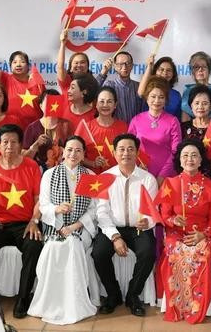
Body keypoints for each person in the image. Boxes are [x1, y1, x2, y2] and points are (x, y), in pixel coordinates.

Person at [0, 124, 43, 318]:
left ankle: (23, 297)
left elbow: (39, 199)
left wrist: (34, 220)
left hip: (25, 223)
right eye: (5, 142)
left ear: (21, 145)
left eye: (14, 142)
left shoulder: (31, 166)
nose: (9, 146)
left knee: (34, 245)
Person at [28, 136, 98, 325]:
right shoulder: (50, 174)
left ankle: (74, 303)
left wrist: (74, 227)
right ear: (63, 152)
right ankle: (51, 302)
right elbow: (44, 204)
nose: (73, 154)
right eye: (69, 149)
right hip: (55, 226)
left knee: (73, 245)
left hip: (79, 229)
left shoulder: (91, 176)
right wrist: (57, 211)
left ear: (83, 154)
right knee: (53, 249)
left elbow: (94, 210)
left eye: (78, 150)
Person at [92, 133, 158, 316]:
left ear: (137, 152)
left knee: (148, 253)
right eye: (121, 149)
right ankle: (113, 295)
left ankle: (132, 295)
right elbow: (101, 212)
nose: (126, 153)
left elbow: (152, 211)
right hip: (112, 227)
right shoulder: (105, 178)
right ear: (114, 153)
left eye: (130, 149)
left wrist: (148, 221)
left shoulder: (148, 179)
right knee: (99, 253)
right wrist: (115, 237)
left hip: (139, 228)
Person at [159, 139, 211, 324]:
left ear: (201, 160)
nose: (189, 159)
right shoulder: (170, 183)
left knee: (200, 252)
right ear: (180, 160)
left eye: (194, 155)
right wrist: (173, 220)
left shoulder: (210, 185)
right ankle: (178, 305)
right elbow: (164, 215)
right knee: (177, 251)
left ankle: (197, 306)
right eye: (185, 155)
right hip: (176, 232)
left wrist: (204, 234)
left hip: (202, 232)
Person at [0, 46, 45, 126]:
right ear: (10, 66)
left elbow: (44, 105)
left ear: (28, 66)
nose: (18, 65)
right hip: (12, 129)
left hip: (35, 128)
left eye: (22, 62)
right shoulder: (6, 79)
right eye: (14, 62)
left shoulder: (37, 82)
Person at [128, 76, 182, 179]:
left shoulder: (173, 121)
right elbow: (129, 148)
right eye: (153, 96)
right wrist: (137, 166)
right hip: (141, 172)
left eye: (161, 97)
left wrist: (162, 176)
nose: (157, 101)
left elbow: (176, 152)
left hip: (167, 175)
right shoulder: (136, 120)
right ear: (147, 97)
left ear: (166, 99)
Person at [180, 84, 211, 183]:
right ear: (191, 105)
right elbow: (179, 154)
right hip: (191, 176)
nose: (200, 107)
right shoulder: (184, 127)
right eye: (197, 103)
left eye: (205, 103)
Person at [74, 86, 128, 172]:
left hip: (117, 179)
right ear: (96, 104)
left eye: (109, 101)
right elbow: (74, 154)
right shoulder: (85, 127)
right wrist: (92, 163)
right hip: (92, 179)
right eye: (102, 101)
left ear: (115, 105)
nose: (105, 105)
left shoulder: (124, 127)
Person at [23, 89, 72, 169]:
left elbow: (75, 149)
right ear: (41, 105)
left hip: (62, 171)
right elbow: (24, 158)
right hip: (38, 172)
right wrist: (34, 147)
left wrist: (66, 151)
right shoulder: (32, 128)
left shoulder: (66, 125)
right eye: (48, 102)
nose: (52, 105)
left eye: (55, 102)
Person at [98, 50, 145, 123]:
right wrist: (103, 72)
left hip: (135, 130)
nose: (124, 67)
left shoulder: (139, 86)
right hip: (116, 130)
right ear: (115, 66)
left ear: (132, 65)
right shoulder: (109, 85)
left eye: (127, 63)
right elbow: (92, 92)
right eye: (120, 64)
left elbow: (144, 111)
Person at [180, 51, 211, 121]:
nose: (200, 70)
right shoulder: (187, 91)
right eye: (196, 67)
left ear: (210, 70)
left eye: (204, 67)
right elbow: (185, 116)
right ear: (192, 71)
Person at [56, 28, 92, 93]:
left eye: (82, 62)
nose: (79, 65)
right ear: (71, 68)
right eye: (76, 63)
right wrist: (63, 43)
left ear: (87, 67)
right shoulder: (67, 81)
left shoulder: (92, 83)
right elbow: (60, 67)